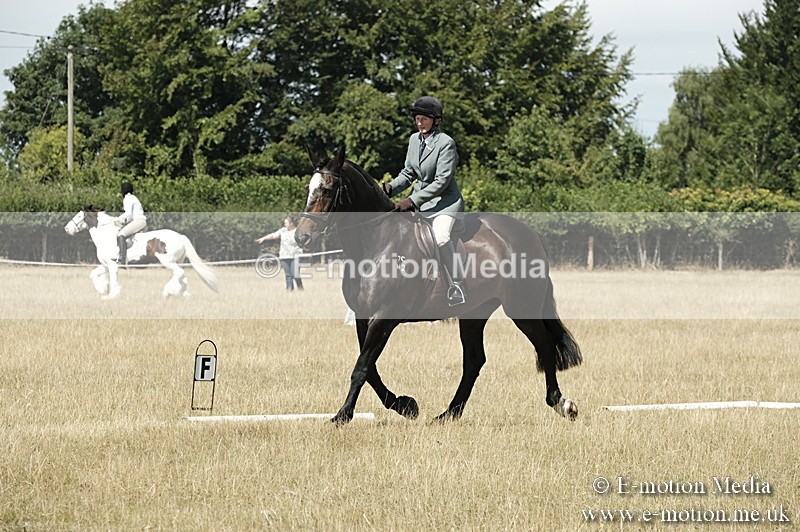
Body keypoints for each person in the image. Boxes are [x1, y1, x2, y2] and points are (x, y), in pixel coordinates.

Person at [383, 95, 466, 306]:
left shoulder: (446, 143)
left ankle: (457, 285)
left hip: (445, 203)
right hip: (421, 201)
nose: (420, 123)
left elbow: (441, 182)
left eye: (424, 119)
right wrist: (390, 187)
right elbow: (408, 173)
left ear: (436, 120)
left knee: (440, 236)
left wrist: (411, 200)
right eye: (417, 118)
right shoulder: (414, 140)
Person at [256, 215, 305, 292]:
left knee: (295, 274)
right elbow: (273, 235)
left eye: (286, 223)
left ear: (291, 223)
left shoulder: (298, 231)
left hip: (296, 256)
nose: (284, 224)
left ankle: (300, 287)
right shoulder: (283, 230)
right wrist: (264, 238)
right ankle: (289, 291)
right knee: (288, 275)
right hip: (284, 256)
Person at [116, 182, 147, 265]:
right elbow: (130, 216)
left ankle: (122, 258)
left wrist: (117, 219)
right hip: (139, 220)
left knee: (121, 234)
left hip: (138, 221)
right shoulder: (133, 197)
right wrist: (124, 221)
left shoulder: (127, 198)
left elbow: (128, 213)